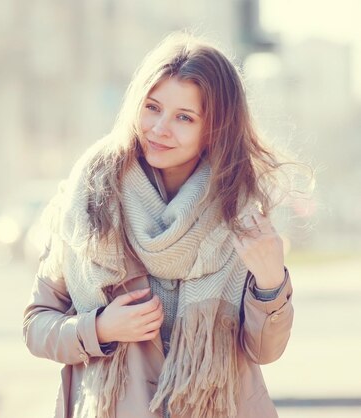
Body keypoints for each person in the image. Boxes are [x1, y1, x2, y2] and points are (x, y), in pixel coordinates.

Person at [23, 32, 301, 418]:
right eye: (152, 107)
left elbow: (264, 351)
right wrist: (100, 329)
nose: (159, 128)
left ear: (216, 128)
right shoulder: (88, 198)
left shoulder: (241, 210)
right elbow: (37, 325)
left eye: (184, 117)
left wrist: (271, 284)